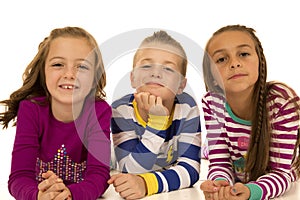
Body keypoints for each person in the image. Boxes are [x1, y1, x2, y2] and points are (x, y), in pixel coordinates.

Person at [0, 26, 111, 200]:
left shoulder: (99, 111)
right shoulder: (31, 109)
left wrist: (72, 194)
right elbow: (19, 176)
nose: (69, 74)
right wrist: (38, 196)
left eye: (82, 67)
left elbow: (99, 175)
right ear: (44, 71)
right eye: (58, 64)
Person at [200, 24, 300, 200]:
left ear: (260, 60)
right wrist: (220, 184)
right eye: (222, 59)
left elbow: (281, 173)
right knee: (209, 152)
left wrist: (251, 192)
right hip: (239, 163)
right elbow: (220, 162)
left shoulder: (281, 103)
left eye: (244, 54)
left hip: (282, 167)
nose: (235, 63)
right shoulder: (212, 103)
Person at [108, 30, 202, 199]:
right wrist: (156, 124)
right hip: (118, 158)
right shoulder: (121, 110)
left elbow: (191, 169)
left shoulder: (187, 107)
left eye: (167, 68)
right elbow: (129, 169)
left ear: (181, 85)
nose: (156, 73)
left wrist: (147, 184)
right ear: (133, 78)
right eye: (146, 66)